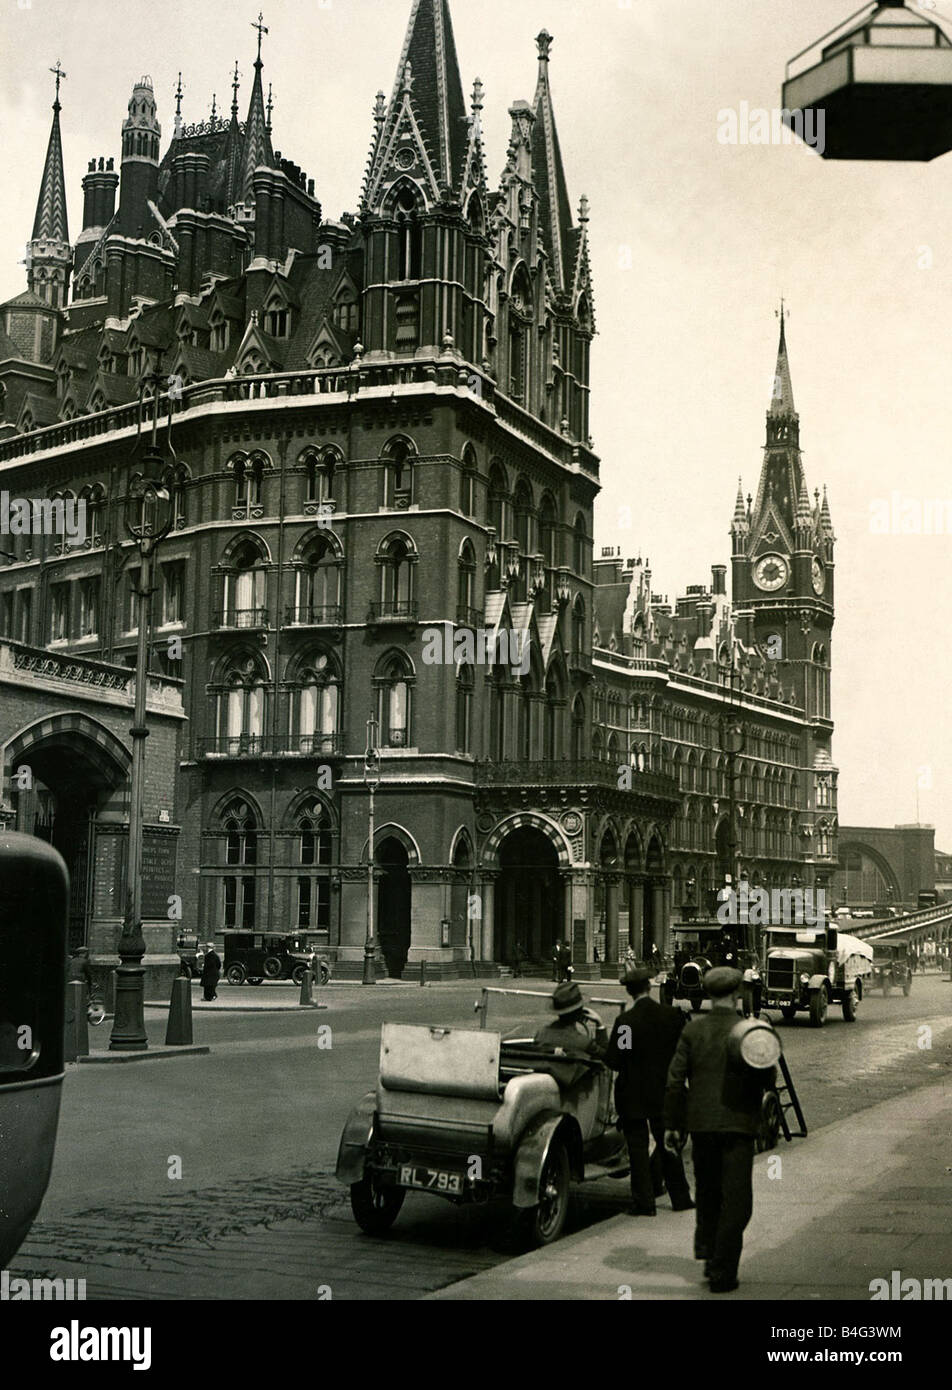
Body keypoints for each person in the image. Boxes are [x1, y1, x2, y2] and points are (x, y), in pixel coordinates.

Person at [663, 966, 775, 1294]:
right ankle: (723, 1269)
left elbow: (674, 1081)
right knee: (738, 1202)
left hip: (701, 1125)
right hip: (739, 1126)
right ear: (737, 993)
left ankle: (710, 1253)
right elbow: (767, 1080)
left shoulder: (693, 1031)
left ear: (708, 994)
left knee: (709, 1193)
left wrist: (673, 1124)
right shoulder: (749, 1030)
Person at [606, 966, 694, 1217]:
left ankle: (644, 1203)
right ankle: (681, 1198)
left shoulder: (625, 1023)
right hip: (664, 1091)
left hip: (633, 1093)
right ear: (649, 987)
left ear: (629, 992)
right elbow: (681, 1055)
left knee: (637, 1149)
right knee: (669, 1143)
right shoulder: (672, 1016)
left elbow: (616, 1060)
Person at [533, 980, 607, 1061]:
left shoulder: (541, 1034)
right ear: (580, 1011)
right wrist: (599, 1024)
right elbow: (606, 1057)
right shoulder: (584, 1042)